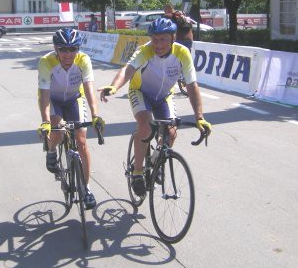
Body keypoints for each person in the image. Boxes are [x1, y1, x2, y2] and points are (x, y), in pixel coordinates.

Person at [99, 18, 212, 196]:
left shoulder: (182, 53)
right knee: (145, 126)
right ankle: (137, 172)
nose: (158, 44)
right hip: (140, 92)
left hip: (163, 96)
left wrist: (200, 117)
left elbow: (192, 85)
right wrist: (114, 86)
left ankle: (156, 160)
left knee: (171, 132)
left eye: (163, 39)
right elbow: (128, 70)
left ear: (173, 38)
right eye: (155, 39)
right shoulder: (145, 51)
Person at [37, 28, 104, 210]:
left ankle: (86, 188)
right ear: (56, 49)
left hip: (75, 98)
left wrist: (95, 115)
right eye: (63, 50)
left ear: (77, 49)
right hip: (54, 100)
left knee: (81, 142)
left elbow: (89, 88)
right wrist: (45, 122)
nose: (68, 54)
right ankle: (51, 150)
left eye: (72, 49)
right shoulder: (46, 62)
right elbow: (44, 96)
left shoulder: (83, 60)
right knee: (58, 133)